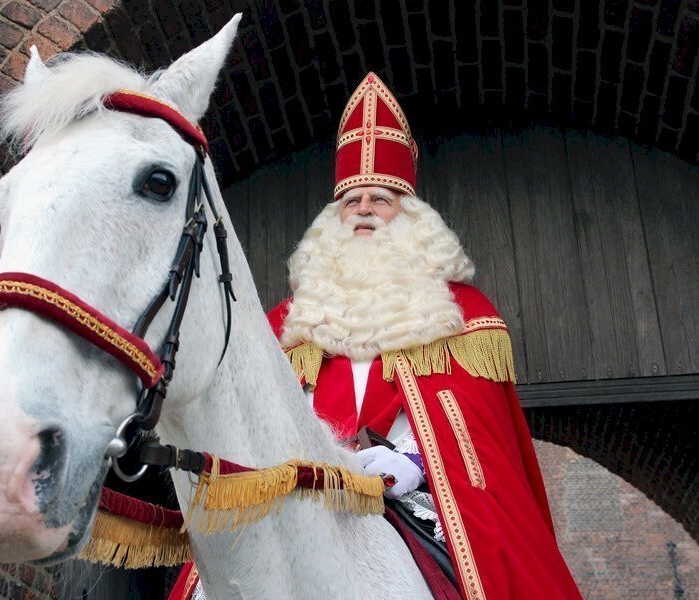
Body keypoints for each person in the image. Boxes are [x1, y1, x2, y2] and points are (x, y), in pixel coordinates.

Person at [171, 73, 581, 600]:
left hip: (415, 500)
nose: (363, 209)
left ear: (411, 219)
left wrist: (412, 463)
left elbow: (477, 443)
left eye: (380, 199)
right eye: (351, 200)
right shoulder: (290, 322)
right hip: (299, 495)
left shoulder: (460, 316)